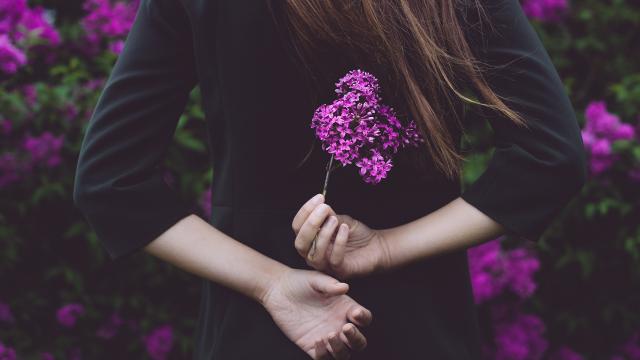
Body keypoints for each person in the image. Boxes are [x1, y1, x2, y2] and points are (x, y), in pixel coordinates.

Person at [72, 0, 587, 358]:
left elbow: (111, 181)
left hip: (255, 332)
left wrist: (273, 285)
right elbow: (549, 157)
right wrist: (385, 248)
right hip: (421, 325)